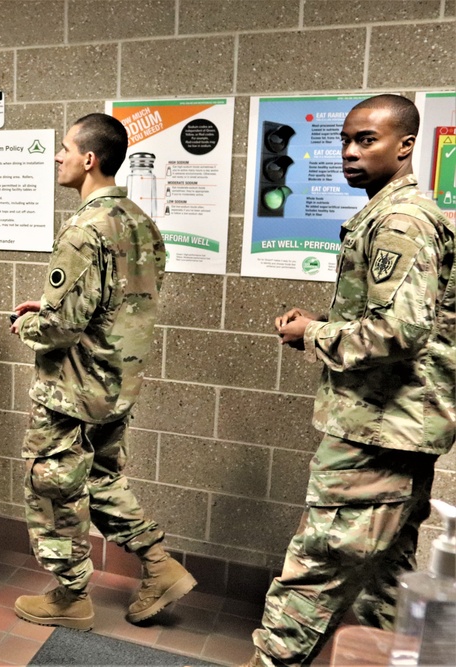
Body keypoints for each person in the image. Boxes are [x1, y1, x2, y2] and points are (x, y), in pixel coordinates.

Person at [244, 95, 455, 666]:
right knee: (387, 576)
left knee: (316, 566)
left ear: (406, 146)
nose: (350, 152)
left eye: (367, 140)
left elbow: (399, 332)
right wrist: (319, 326)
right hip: (397, 428)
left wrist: (314, 334)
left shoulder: (401, 220)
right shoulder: (390, 213)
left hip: (378, 431)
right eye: (346, 140)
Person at [9, 113, 196, 631]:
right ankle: (158, 565)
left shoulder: (85, 228)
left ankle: (71, 596)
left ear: (89, 159)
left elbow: (60, 328)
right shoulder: (141, 221)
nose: (57, 158)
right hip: (118, 382)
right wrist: (48, 312)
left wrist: (25, 325)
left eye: (64, 149)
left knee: (53, 485)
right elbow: (113, 303)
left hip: (72, 388)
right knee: (102, 478)